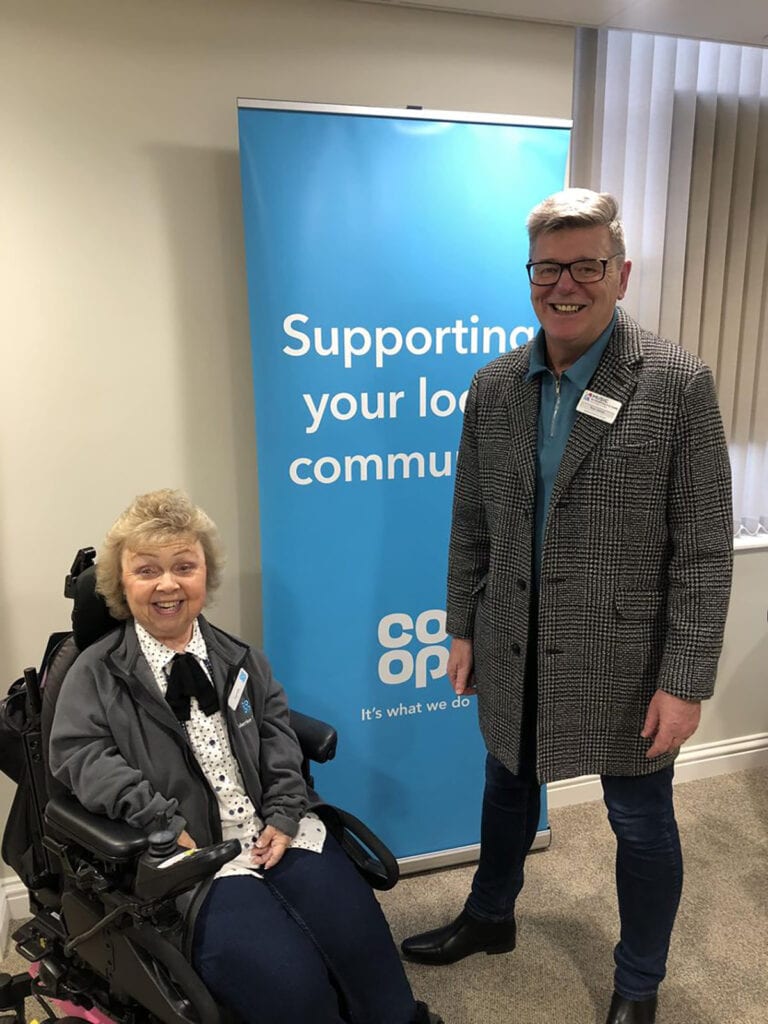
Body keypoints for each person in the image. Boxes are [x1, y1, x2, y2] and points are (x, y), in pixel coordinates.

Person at [401, 189, 733, 1024]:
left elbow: (702, 548)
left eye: (587, 266)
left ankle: (638, 984)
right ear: (530, 277)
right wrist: (462, 626)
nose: (566, 285)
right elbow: (471, 521)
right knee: (505, 784)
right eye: (548, 269)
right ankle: (491, 915)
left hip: (627, 657)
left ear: (622, 274)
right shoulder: (494, 386)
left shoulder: (678, 383)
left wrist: (686, 680)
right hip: (513, 637)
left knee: (641, 822)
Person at [49, 488, 442, 1024]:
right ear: (122, 582)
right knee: (291, 986)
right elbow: (81, 756)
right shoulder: (95, 673)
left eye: (183, 566)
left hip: (271, 827)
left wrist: (284, 811)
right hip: (187, 854)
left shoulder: (240, 658)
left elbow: (277, 734)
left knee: (365, 954)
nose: (168, 584)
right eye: (147, 570)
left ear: (205, 575)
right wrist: (159, 819)